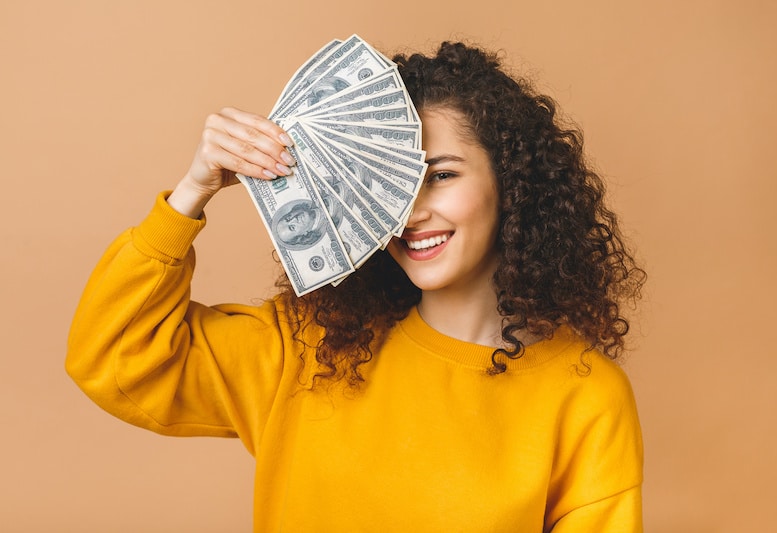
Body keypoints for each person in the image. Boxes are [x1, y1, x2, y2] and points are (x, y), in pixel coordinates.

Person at [66, 41, 646, 532]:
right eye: (392, 183)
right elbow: (114, 356)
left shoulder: (585, 396)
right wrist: (191, 193)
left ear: (513, 185)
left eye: (440, 175)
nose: (411, 212)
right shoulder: (309, 345)